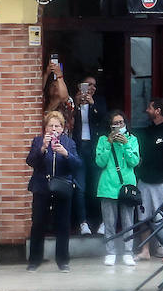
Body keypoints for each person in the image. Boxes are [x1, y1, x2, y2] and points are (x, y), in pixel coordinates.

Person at [25, 110, 82, 272]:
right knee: (38, 224)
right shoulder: (38, 141)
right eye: (50, 126)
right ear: (45, 128)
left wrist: (65, 154)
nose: (54, 128)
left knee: (63, 225)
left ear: (62, 128)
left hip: (62, 187)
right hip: (42, 187)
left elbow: (77, 164)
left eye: (57, 126)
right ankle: (34, 260)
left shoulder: (69, 142)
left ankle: (63, 260)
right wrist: (43, 148)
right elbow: (31, 161)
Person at [134, 98, 163, 261]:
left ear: (158, 111)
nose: (147, 110)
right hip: (145, 181)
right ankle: (145, 250)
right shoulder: (147, 131)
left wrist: (161, 171)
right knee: (144, 217)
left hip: (162, 182)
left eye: (150, 107)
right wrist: (142, 171)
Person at [95, 110, 140, 267]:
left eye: (121, 123)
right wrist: (109, 143)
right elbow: (100, 162)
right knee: (109, 222)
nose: (118, 126)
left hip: (127, 185)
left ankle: (128, 252)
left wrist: (125, 145)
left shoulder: (132, 139)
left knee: (128, 221)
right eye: (115, 123)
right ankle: (110, 252)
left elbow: (134, 161)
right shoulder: (102, 140)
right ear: (110, 125)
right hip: (108, 185)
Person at [70, 74, 108, 234]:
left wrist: (92, 105)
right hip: (79, 147)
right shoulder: (73, 102)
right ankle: (82, 222)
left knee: (97, 186)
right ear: (80, 86)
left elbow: (105, 120)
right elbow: (68, 122)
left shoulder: (99, 102)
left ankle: (100, 221)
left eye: (94, 85)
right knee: (80, 186)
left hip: (94, 148)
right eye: (88, 85)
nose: (91, 88)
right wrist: (77, 105)